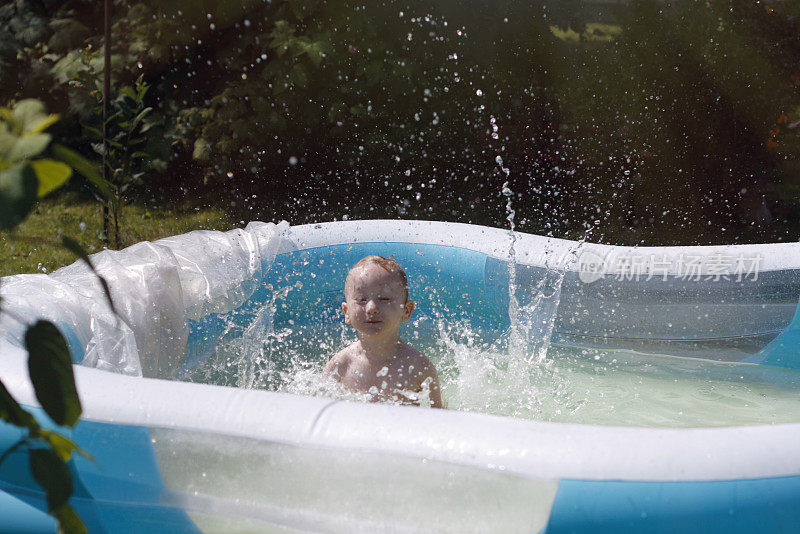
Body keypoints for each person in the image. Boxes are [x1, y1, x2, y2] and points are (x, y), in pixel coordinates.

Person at [324, 255, 444, 408]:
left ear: (406, 311)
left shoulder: (418, 367)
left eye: (384, 299)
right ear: (346, 312)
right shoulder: (340, 366)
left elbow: (439, 418)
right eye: (361, 299)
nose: (372, 308)